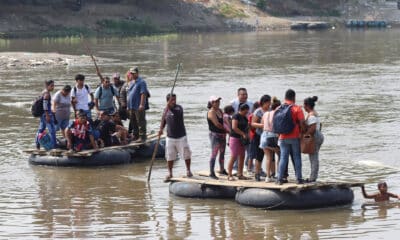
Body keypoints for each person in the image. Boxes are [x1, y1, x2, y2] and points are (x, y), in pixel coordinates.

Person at [159, 93, 193, 181]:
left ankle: (188, 170)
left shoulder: (179, 108)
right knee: (170, 156)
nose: (174, 101)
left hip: (181, 136)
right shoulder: (165, 110)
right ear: (167, 101)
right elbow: (163, 121)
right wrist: (160, 129)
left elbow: (176, 113)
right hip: (170, 137)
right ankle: (170, 173)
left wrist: (170, 106)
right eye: (172, 100)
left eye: (174, 99)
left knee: (186, 154)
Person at [276, 89, 305, 185]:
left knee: (283, 157)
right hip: (294, 136)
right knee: (297, 157)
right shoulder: (297, 108)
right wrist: (302, 132)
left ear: (285, 98)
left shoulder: (279, 108)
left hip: (282, 137)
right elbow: (302, 123)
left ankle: (279, 178)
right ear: (294, 97)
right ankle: (299, 179)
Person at [303, 96, 324, 182]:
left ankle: (313, 178)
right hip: (318, 135)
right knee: (313, 157)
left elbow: (313, 128)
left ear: (307, 105)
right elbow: (320, 125)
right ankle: (313, 176)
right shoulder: (314, 113)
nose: (303, 106)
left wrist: (305, 136)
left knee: (314, 157)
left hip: (315, 135)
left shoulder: (311, 115)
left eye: (304, 105)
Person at [260, 97, 281, 182]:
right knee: (280, 155)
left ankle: (268, 176)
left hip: (264, 135)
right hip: (273, 136)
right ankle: (279, 174)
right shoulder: (277, 114)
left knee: (268, 157)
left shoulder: (265, 113)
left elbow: (262, 124)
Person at [250, 95, 271, 181]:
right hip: (259, 136)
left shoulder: (270, 111)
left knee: (270, 156)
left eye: (270, 102)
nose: (269, 104)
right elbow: (253, 124)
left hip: (269, 136)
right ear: (263, 103)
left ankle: (270, 174)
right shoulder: (258, 111)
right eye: (268, 102)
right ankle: (257, 173)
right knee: (259, 156)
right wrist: (263, 125)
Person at [227, 103, 250, 181]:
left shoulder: (245, 117)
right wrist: (243, 134)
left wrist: (247, 134)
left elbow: (247, 127)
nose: (246, 113)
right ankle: (229, 174)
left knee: (242, 156)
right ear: (242, 109)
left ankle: (240, 174)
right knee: (234, 156)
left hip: (242, 139)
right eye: (246, 111)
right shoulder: (236, 116)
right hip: (234, 138)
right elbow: (234, 127)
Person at [207, 96, 228, 179]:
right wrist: (227, 130)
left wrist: (227, 128)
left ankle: (222, 169)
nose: (218, 103)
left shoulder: (219, 110)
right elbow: (217, 124)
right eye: (216, 102)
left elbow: (224, 121)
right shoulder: (211, 112)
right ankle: (211, 172)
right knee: (214, 153)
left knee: (222, 153)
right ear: (212, 103)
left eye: (219, 102)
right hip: (215, 135)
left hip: (222, 134)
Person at [127, 66, 149, 142]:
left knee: (140, 121)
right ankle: (136, 135)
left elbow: (143, 93)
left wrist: (142, 104)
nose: (132, 75)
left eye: (133, 73)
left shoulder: (142, 82)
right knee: (133, 121)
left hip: (138, 105)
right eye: (131, 73)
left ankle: (142, 137)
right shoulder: (131, 82)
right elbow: (129, 93)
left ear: (137, 73)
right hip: (131, 106)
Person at [36, 80, 56, 150]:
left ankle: (37, 145)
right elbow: (45, 106)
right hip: (46, 115)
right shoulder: (47, 94)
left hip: (43, 114)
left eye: (53, 85)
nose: (53, 87)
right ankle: (54, 147)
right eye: (52, 86)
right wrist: (47, 115)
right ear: (47, 86)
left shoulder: (43, 92)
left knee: (40, 130)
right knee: (52, 131)